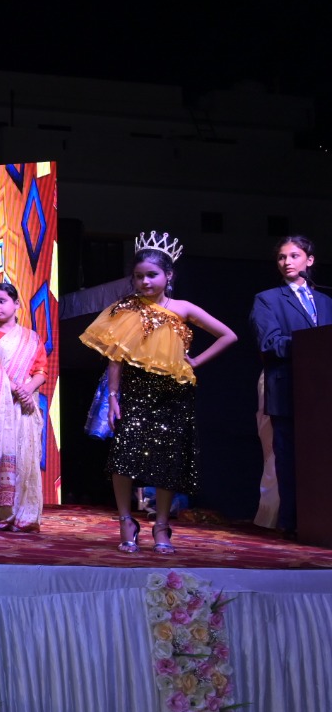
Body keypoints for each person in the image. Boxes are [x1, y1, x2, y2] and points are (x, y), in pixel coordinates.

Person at [81, 231, 236, 554]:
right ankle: (126, 521)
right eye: (139, 276)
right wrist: (113, 397)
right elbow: (115, 357)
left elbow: (228, 335)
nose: (145, 282)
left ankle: (162, 525)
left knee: (168, 460)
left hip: (173, 394)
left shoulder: (182, 308)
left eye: (152, 275)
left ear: (169, 275)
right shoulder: (126, 308)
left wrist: (196, 362)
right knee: (123, 457)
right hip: (135, 391)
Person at [250, 235, 331, 539]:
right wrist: (310, 345)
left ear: (309, 260)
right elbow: (270, 343)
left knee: (321, 456)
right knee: (288, 456)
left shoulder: (326, 302)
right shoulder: (267, 299)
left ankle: (321, 520)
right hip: (286, 387)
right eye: (282, 257)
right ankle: (291, 522)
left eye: (294, 256)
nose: (286, 262)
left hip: (321, 391)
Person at [0, 282, 49, 532]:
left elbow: (41, 371)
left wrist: (27, 390)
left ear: (16, 304)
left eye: (2, 301)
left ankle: (24, 515)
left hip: (24, 405)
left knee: (24, 456)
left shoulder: (32, 338)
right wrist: (17, 389)